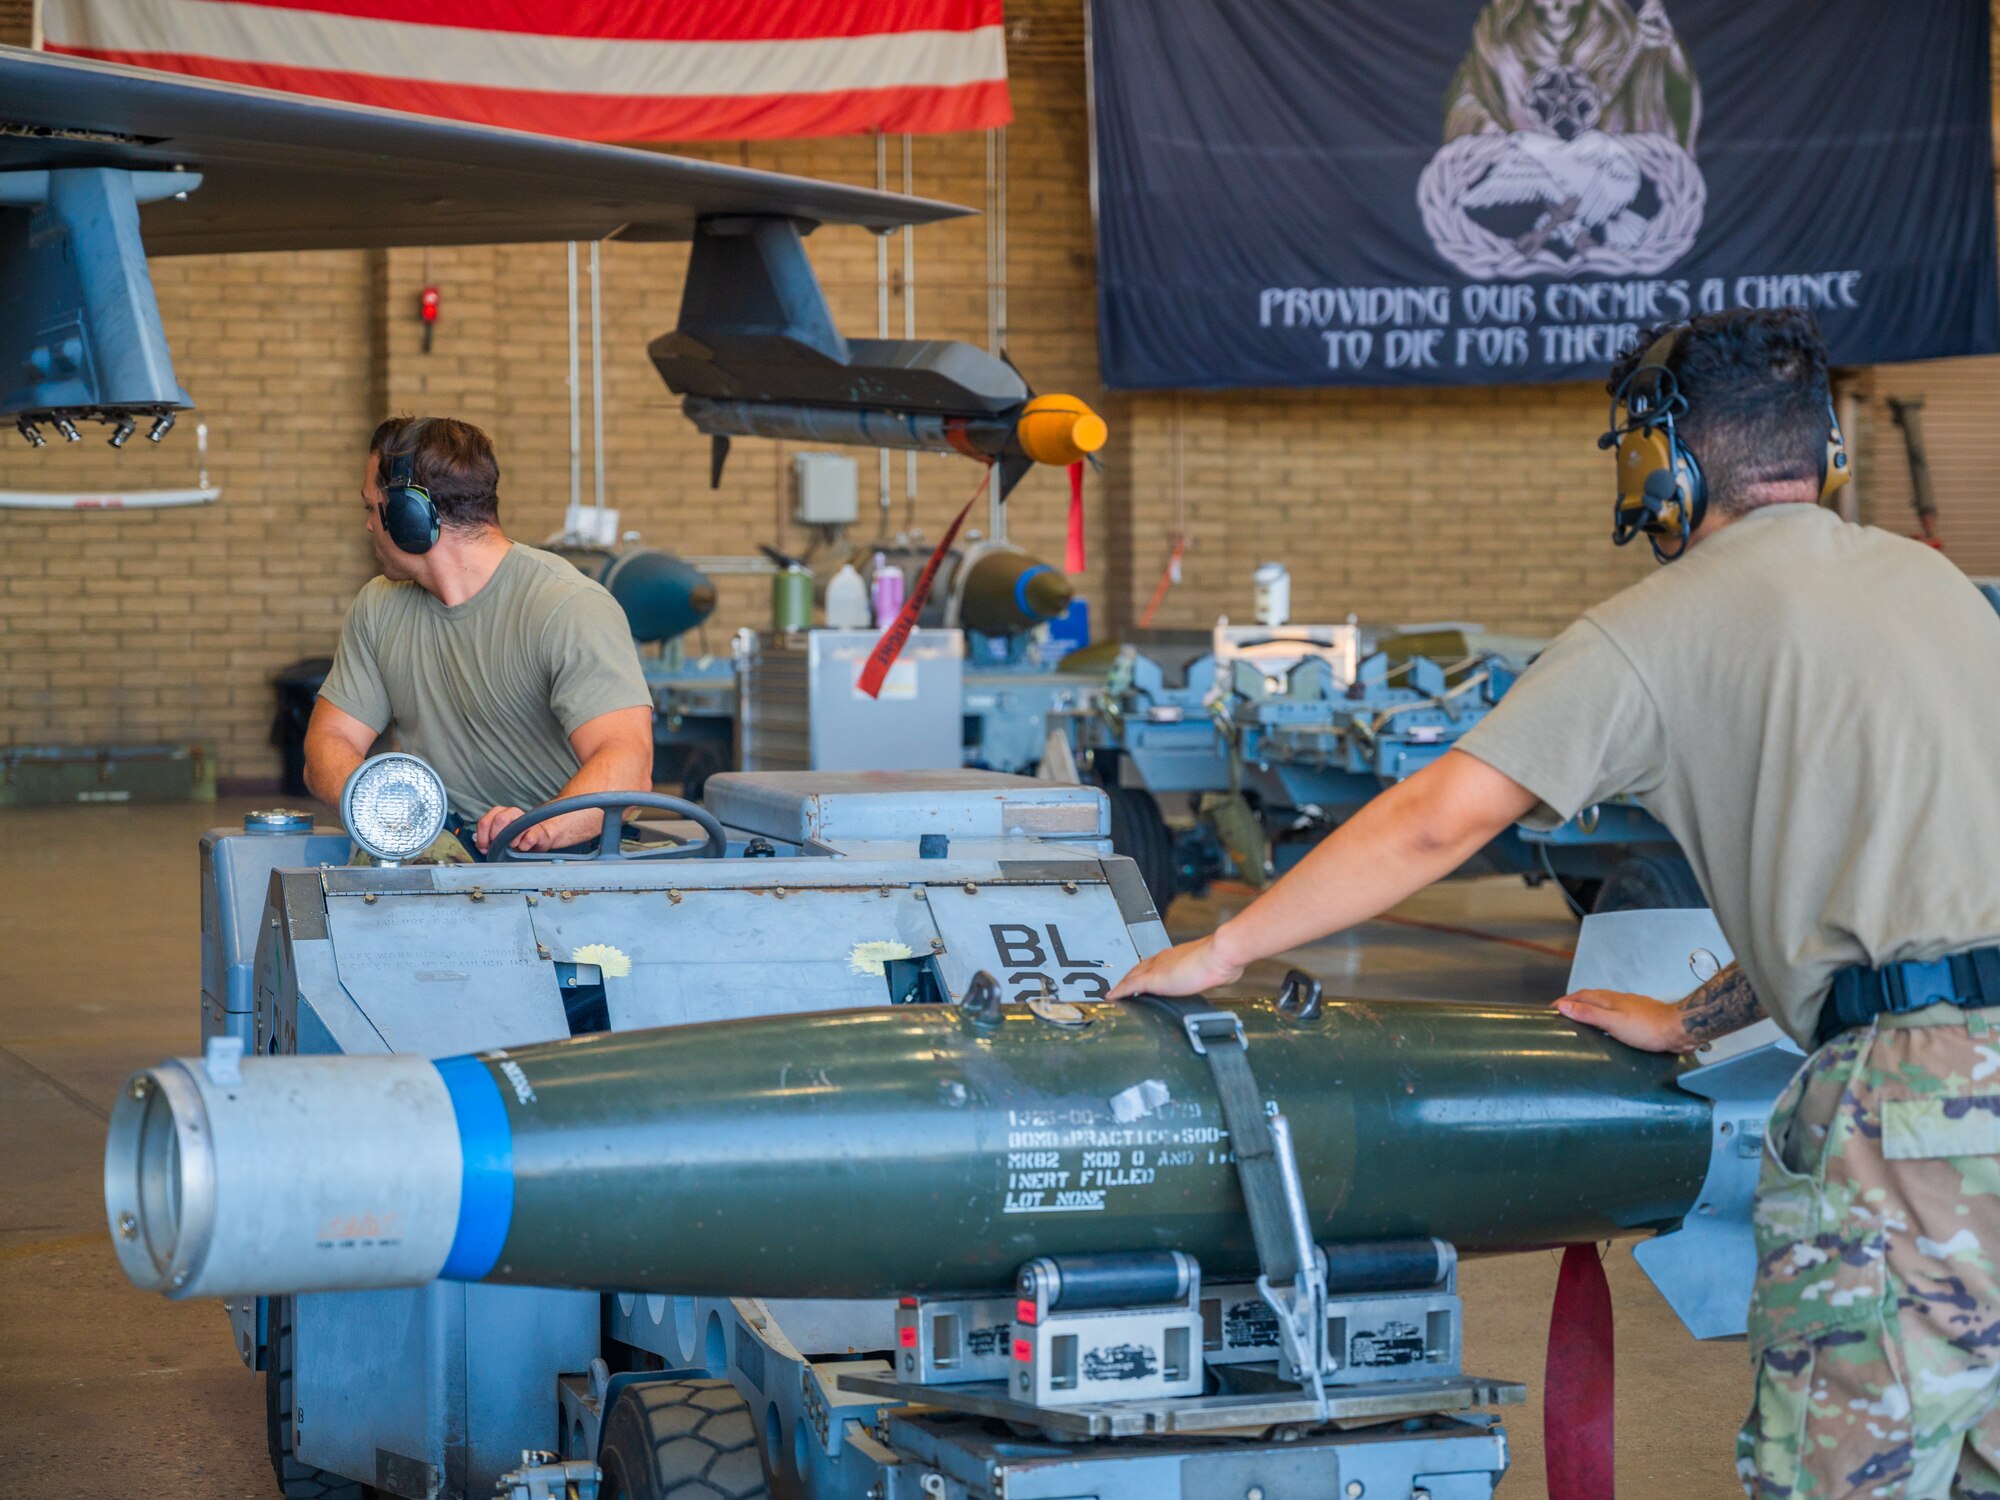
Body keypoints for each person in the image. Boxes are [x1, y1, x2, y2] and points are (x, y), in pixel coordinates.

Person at [1111, 308, 2000, 1498]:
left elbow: (1439, 817)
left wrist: (1219, 950)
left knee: (1847, 1475)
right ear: (1824, 453)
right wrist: (1694, 1022)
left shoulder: (1656, 630)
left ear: (1667, 464)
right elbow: (1902, 902)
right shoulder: (1931, 584)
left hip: (1915, 1117)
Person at [304, 415, 654, 860]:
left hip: (562, 869)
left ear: (410, 516)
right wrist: (390, 815)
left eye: (371, 508)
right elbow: (328, 743)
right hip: (437, 863)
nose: (369, 525)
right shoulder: (379, 606)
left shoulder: (567, 606)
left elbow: (627, 762)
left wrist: (536, 829)